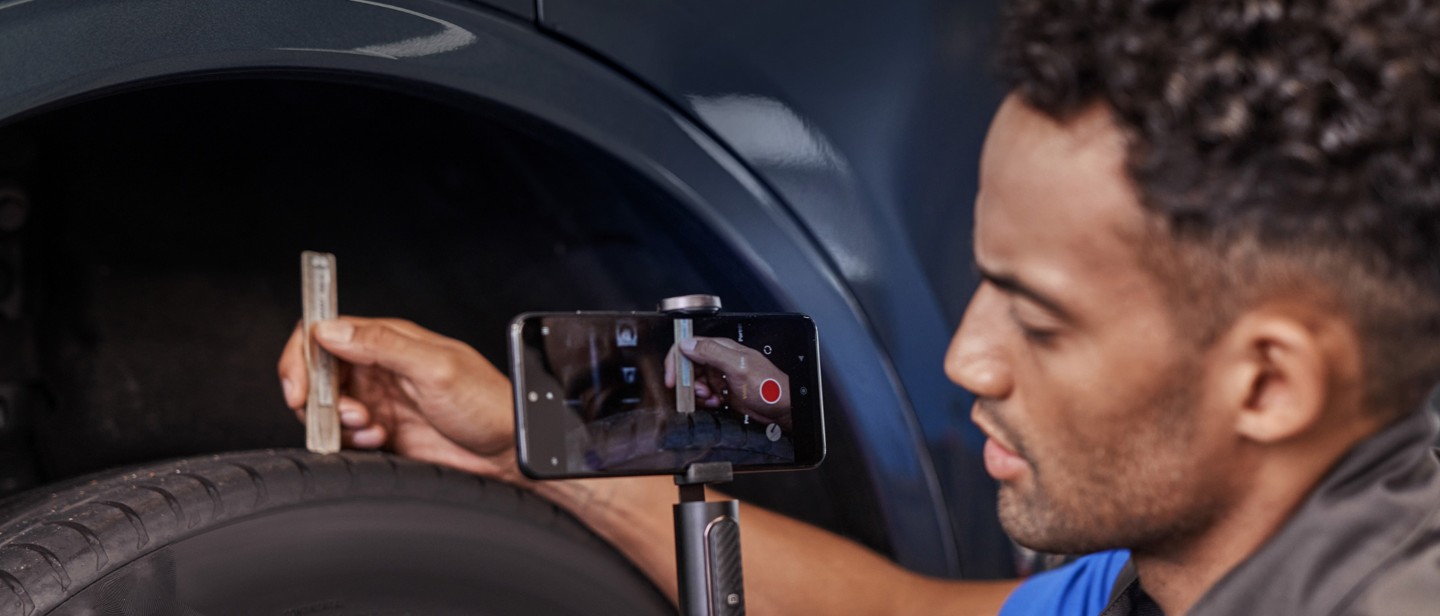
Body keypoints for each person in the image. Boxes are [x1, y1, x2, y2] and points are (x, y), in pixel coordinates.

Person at [276, 0, 1440, 613]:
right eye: (981, 279)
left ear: (1272, 380)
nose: (968, 359)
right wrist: (528, 447)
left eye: (1038, 319)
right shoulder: (1201, 559)